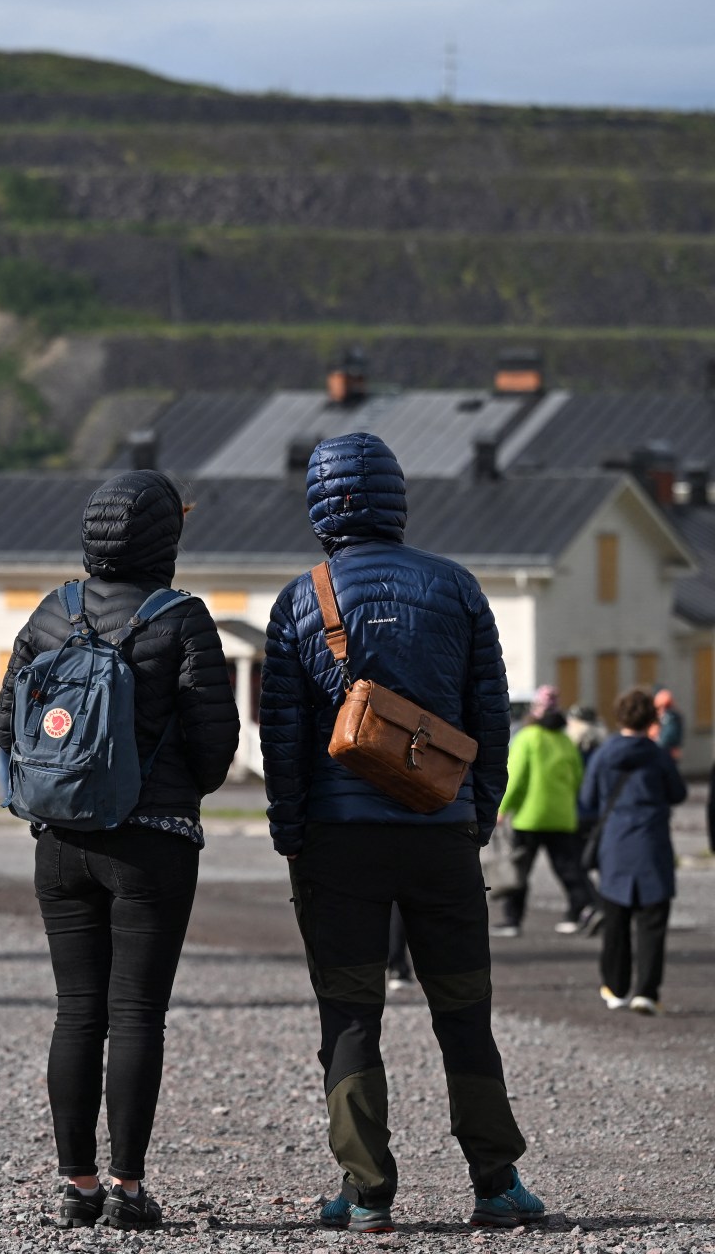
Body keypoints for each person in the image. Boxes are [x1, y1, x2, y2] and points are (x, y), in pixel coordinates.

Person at [261, 432, 544, 1233]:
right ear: (397, 497)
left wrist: (291, 832)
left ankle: (366, 1192)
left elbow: (282, 736)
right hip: (440, 830)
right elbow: (491, 717)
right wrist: (478, 812)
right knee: (465, 1008)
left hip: (337, 837)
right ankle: (496, 1183)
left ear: (319, 505)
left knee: (350, 1013)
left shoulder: (301, 599)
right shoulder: (457, 587)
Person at [0, 469, 239, 1232]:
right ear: (165, 539)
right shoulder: (182, 619)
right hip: (152, 844)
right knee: (137, 1012)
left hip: (60, 841)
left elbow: (6, 725)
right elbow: (215, 746)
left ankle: (77, 1186)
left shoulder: (51, 613)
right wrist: (170, 786)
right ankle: (129, 1189)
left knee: (76, 1012)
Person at [580, 689, 687, 1015]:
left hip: (615, 844)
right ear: (652, 719)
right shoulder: (658, 755)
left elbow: (587, 798)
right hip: (652, 843)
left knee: (616, 920)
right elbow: (678, 793)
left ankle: (616, 987)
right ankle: (647, 992)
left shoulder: (604, 754)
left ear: (619, 716)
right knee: (652, 922)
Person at [493, 686, 597, 937]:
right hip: (562, 816)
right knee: (569, 870)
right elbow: (578, 778)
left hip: (530, 816)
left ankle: (513, 920)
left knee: (519, 871)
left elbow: (516, 778)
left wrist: (503, 808)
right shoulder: (566, 740)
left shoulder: (527, 737)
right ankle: (579, 912)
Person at [650, 689, 682, 763]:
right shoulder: (662, 718)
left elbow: (665, 741)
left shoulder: (670, 719)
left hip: (665, 757)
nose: (658, 711)